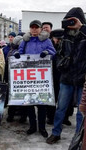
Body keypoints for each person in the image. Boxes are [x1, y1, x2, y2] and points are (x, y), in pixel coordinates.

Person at [46, 7, 86, 144]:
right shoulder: (64, 36)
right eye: (68, 20)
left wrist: (82, 28)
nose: (71, 24)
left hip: (82, 78)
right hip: (67, 78)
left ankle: (78, 137)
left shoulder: (84, 34)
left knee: (81, 111)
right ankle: (56, 133)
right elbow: (59, 54)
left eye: (73, 20)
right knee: (61, 107)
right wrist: (61, 63)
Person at [15, 20, 56, 138]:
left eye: (36, 28)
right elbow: (19, 52)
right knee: (29, 103)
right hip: (29, 77)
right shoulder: (25, 41)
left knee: (42, 104)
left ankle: (42, 128)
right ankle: (32, 126)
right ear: (30, 29)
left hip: (42, 78)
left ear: (40, 29)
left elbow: (53, 52)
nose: (34, 30)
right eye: (32, 27)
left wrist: (47, 52)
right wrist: (17, 54)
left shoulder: (46, 40)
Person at [6, 35, 28, 123]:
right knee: (23, 99)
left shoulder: (11, 51)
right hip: (20, 79)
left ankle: (11, 116)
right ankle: (22, 116)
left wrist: (6, 78)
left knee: (13, 98)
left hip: (14, 79)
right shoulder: (16, 52)